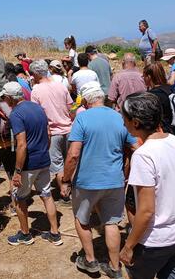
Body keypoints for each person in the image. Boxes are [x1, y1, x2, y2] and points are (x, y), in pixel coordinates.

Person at [61, 81, 138, 278]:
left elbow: (73, 154)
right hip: (114, 180)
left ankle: (90, 260)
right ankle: (114, 267)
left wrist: (66, 179)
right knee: (112, 222)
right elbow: (135, 146)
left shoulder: (82, 119)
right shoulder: (119, 117)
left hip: (87, 181)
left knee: (82, 219)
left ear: (85, 100)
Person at [119, 92, 175, 279]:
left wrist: (128, 246)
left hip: (155, 241)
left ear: (135, 122)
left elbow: (146, 211)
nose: (123, 123)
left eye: (125, 119)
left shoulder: (143, 155)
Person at [0, 82, 62, 246]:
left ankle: (25, 234)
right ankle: (55, 233)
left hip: (28, 163)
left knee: (19, 197)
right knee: (47, 195)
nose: (4, 101)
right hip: (43, 160)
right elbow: (48, 132)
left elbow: (21, 144)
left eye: (5, 98)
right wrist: (43, 151)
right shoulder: (37, 107)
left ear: (11, 98)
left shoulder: (16, 114)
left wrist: (17, 171)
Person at [29, 60, 74, 205]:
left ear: (35, 74)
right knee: (70, 161)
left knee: (58, 166)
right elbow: (70, 107)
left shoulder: (36, 90)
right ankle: (72, 190)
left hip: (52, 132)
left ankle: (65, 194)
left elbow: (36, 114)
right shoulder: (61, 85)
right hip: (69, 128)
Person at [143, 62, 175, 136]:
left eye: (144, 76)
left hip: (161, 134)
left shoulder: (152, 95)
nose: (143, 79)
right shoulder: (171, 89)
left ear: (149, 77)